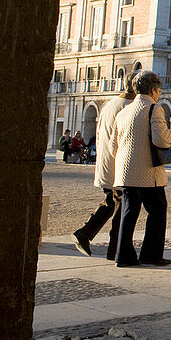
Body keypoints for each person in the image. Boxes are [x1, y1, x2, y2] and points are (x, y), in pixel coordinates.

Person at [111, 70, 171, 267]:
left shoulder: (123, 112)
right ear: (154, 90)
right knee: (157, 210)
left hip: (125, 171)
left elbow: (113, 145)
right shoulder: (154, 109)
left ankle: (123, 255)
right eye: (159, 91)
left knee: (129, 212)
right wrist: (170, 136)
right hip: (147, 171)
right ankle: (151, 254)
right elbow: (161, 139)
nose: (159, 94)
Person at [72, 75, 135, 259]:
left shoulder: (110, 104)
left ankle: (85, 234)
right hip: (119, 167)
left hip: (107, 164)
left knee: (112, 203)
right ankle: (115, 249)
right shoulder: (129, 108)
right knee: (122, 207)